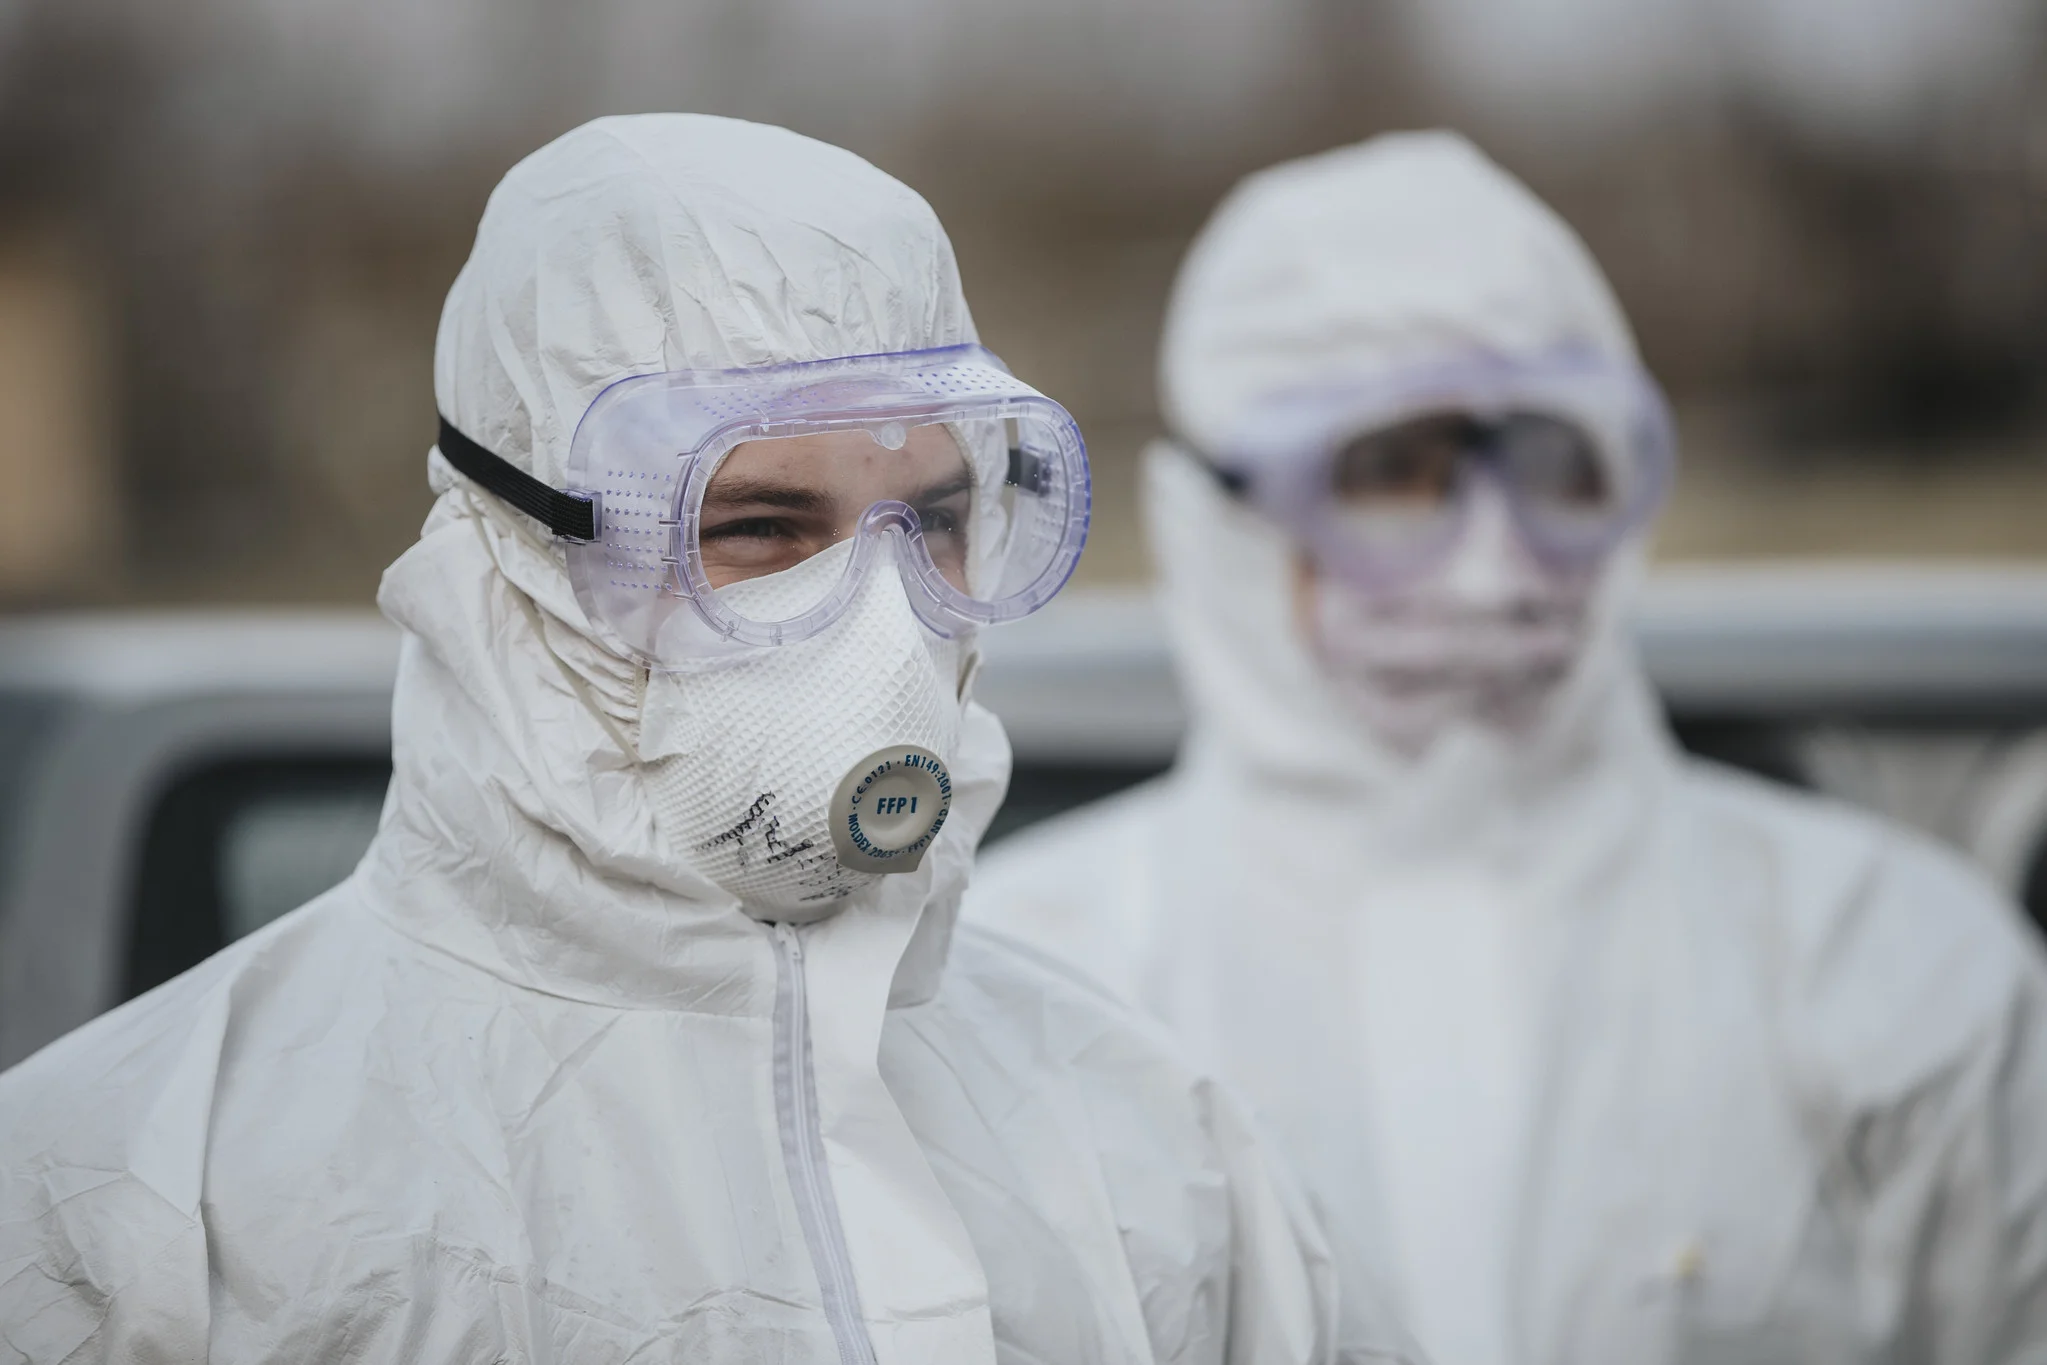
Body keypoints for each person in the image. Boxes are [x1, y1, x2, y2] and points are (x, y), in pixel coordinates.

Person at [0, 114, 1422, 1365]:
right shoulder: (141, 1201)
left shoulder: (1149, 1148)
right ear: (518, 543)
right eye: (752, 528)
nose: (879, 614)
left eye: (928, 518)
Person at [967, 131, 2047, 1365]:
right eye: (1387, 473)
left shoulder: (1889, 959)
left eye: (1554, 466)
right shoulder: (1031, 993)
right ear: (1222, 524)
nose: (1494, 564)